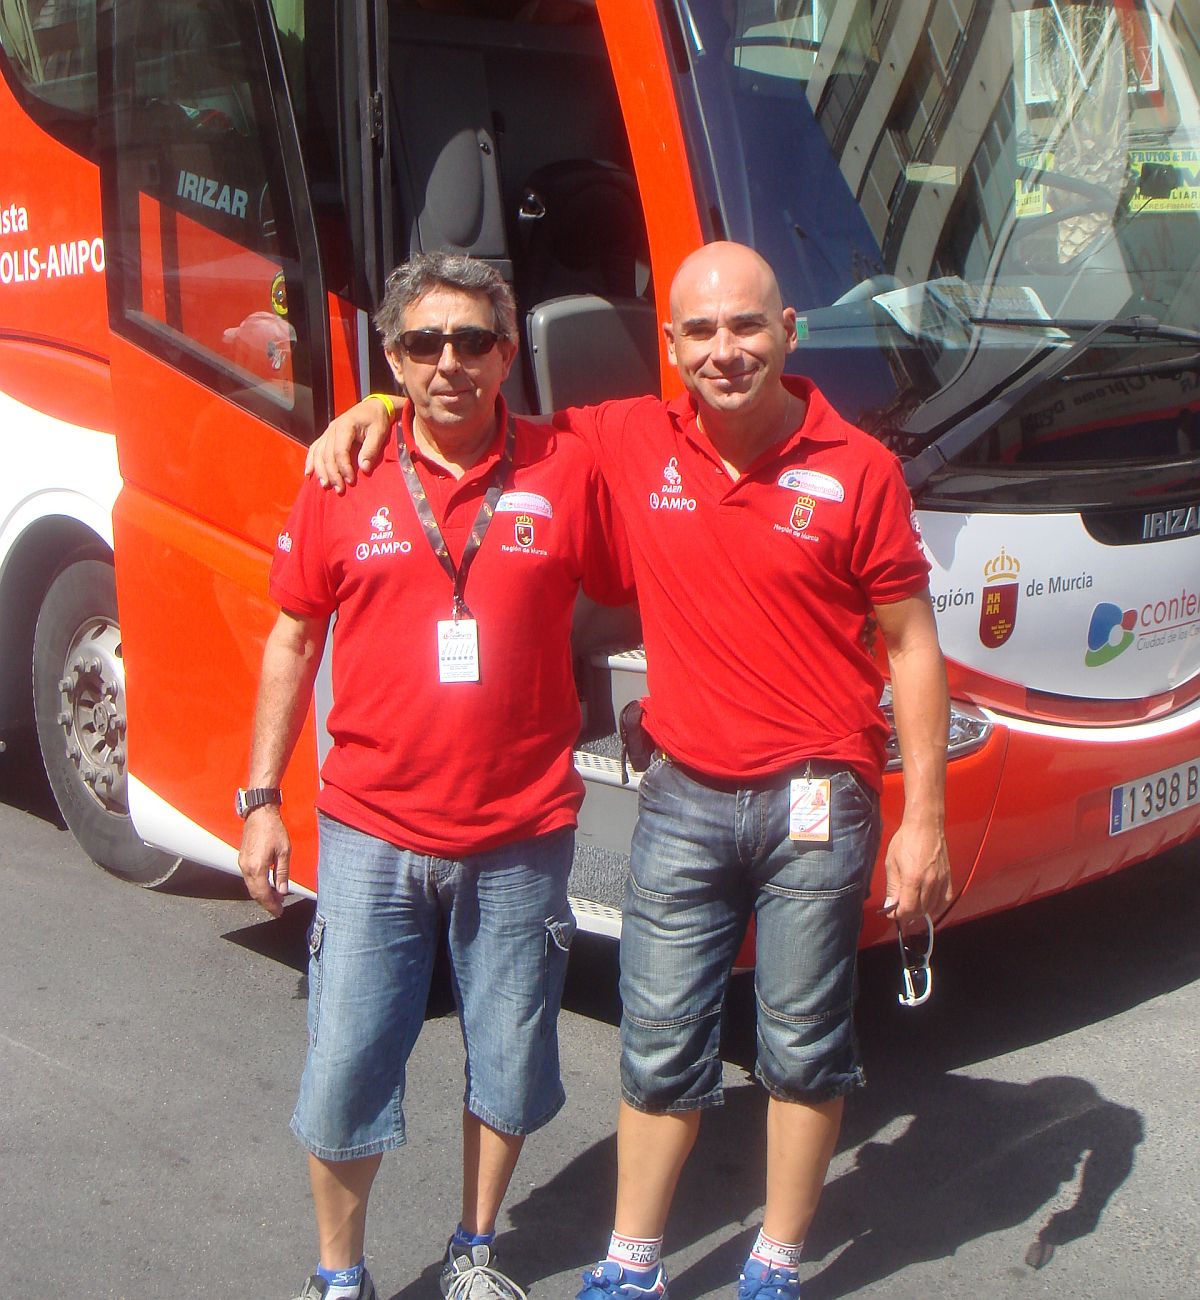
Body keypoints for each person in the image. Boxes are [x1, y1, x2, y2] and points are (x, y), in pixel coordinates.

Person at [308, 241, 952, 1300]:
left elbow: (912, 645)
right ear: (671, 346)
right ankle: (630, 1265)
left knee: (800, 1043)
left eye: (746, 326)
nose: (724, 350)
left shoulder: (858, 469)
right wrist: (375, 405)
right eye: (700, 331)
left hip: (817, 800)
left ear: (789, 332)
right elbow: (470, 406)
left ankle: (775, 1264)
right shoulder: (631, 437)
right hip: (684, 796)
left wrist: (923, 819)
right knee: (657, 1040)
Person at [238, 251, 634, 1300]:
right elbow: (292, 641)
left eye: (471, 340)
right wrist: (260, 798)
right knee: (345, 1070)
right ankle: (340, 1275)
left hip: (522, 832)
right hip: (370, 832)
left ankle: (475, 1249)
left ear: (507, 354)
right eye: (423, 343)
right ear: (393, 358)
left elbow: (654, 560)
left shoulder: (566, 465)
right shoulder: (343, 475)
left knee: (507, 1062)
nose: (447, 362)